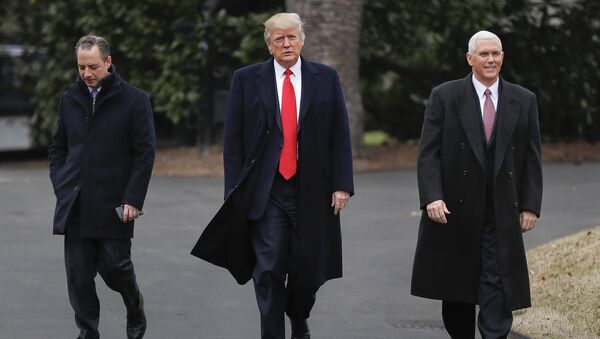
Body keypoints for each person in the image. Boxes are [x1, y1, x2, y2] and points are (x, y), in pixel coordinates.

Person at [192, 12, 354, 339]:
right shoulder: (246, 79)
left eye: (292, 36)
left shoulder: (325, 77)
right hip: (266, 192)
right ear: (269, 45)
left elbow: (340, 132)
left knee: (308, 273)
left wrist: (342, 185)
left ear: (302, 40)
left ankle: (298, 314)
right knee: (267, 270)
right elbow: (233, 139)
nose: (286, 43)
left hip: (313, 191)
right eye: (278, 38)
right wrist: (234, 191)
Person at [411, 30, 542, 338]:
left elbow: (531, 158)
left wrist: (530, 205)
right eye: (484, 54)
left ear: (503, 57)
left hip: (501, 209)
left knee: (498, 283)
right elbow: (428, 152)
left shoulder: (523, 100)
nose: (490, 59)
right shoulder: (444, 95)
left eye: (496, 53)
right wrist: (432, 196)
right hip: (454, 209)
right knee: (457, 288)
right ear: (470, 58)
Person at [49, 35, 155, 339]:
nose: (86, 73)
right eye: (81, 67)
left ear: (108, 62)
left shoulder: (135, 100)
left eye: (92, 66)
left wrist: (133, 198)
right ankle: (88, 332)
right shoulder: (69, 99)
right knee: (79, 277)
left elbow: (145, 153)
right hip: (75, 204)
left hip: (115, 204)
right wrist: (61, 182)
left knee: (115, 268)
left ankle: (134, 305)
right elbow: (58, 148)